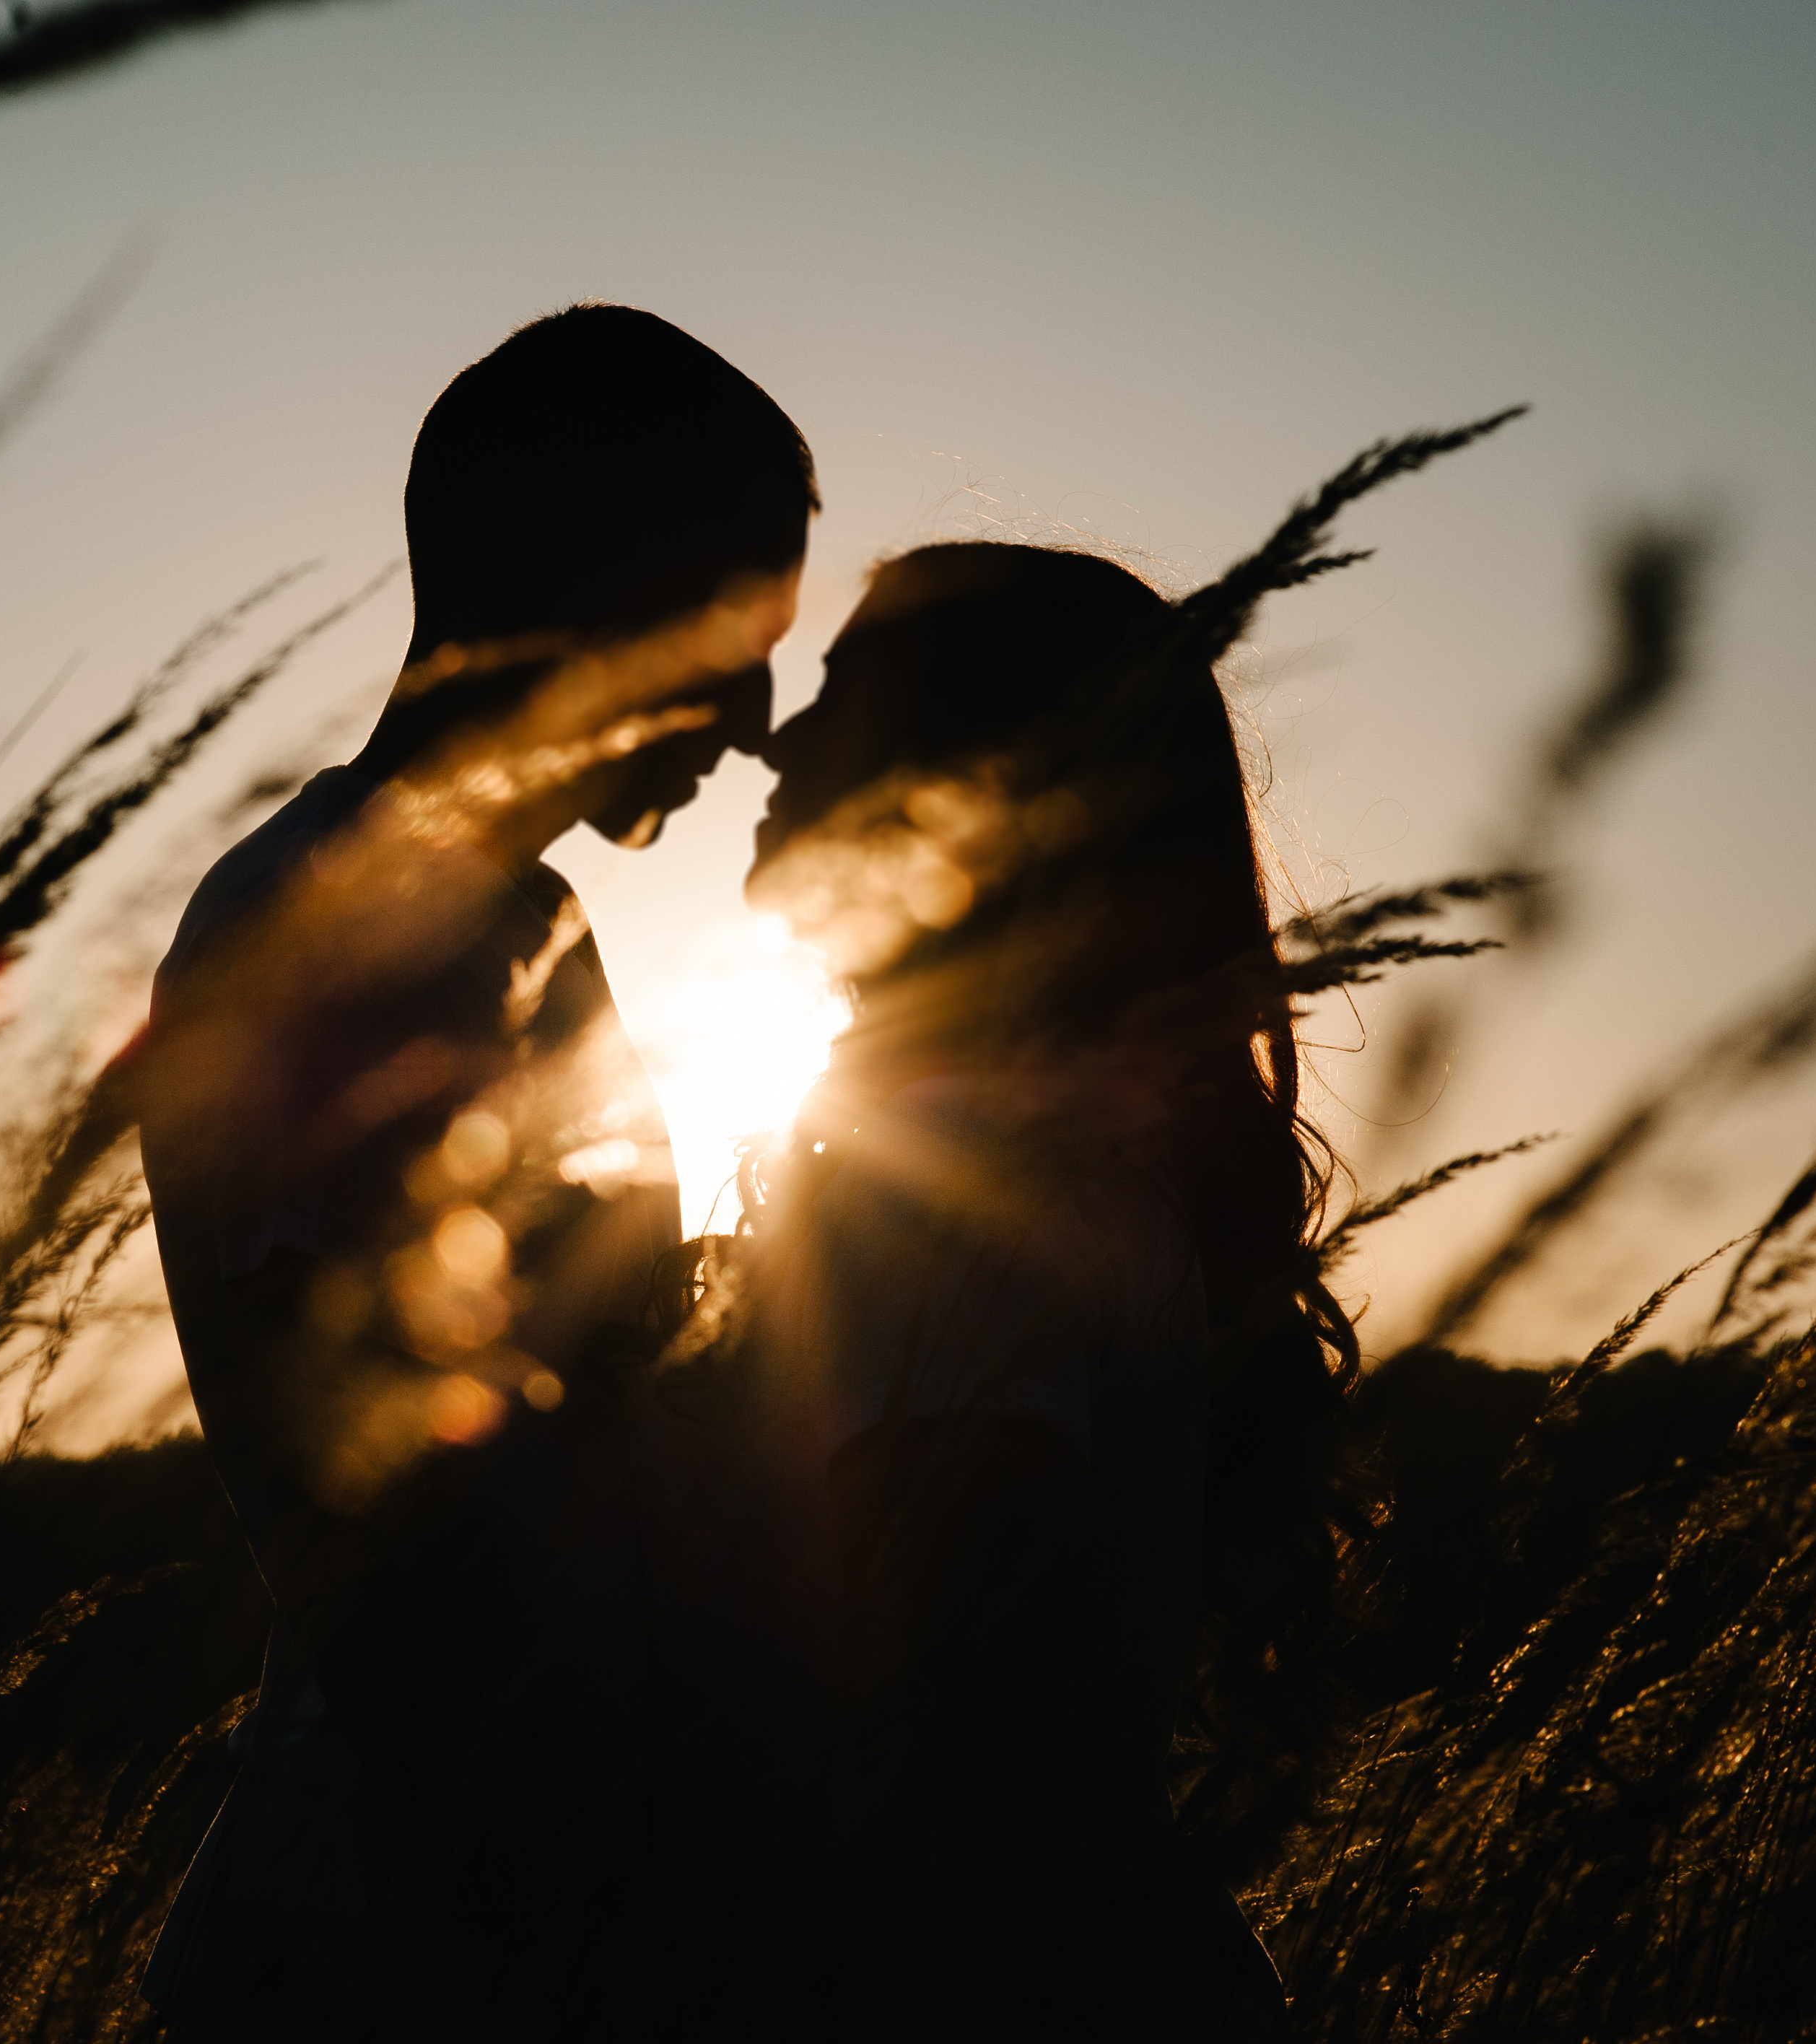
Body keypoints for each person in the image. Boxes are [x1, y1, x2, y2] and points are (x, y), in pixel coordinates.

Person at [136, 303, 816, 2040]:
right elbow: (391, 1526)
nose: (753, 719)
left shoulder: (526, 922)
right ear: (553, 577)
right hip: (408, 1920)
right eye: (731, 635)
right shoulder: (335, 927)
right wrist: (565, 1913)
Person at [738, 541, 1358, 2040]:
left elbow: (929, 1787)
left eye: (841, 696)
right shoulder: (1007, 1164)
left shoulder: (972, 1203)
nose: (778, 734)